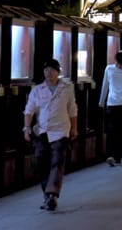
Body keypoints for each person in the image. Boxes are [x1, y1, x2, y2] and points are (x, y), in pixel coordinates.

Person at [23, 59, 77, 212]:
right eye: (46, 70)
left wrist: (74, 128)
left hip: (60, 130)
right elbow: (29, 110)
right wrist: (26, 128)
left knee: (57, 162)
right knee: (42, 162)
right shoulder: (37, 90)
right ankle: (47, 195)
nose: (49, 73)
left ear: (58, 72)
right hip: (42, 131)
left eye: (52, 70)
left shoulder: (67, 88)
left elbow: (72, 109)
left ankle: (52, 194)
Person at [98, 50, 122, 167]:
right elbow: (105, 85)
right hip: (111, 104)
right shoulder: (109, 69)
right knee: (111, 131)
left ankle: (118, 156)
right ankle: (110, 155)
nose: (121, 66)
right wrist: (101, 101)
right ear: (116, 61)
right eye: (119, 63)